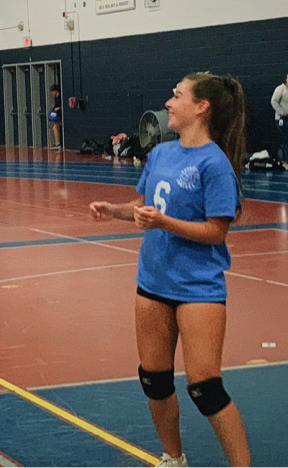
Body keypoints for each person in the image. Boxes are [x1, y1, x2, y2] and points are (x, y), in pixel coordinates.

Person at [89, 72, 251, 468]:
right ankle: (173, 458)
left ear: (201, 108)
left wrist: (164, 223)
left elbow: (216, 231)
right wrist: (118, 211)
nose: (168, 103)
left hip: (197, 288)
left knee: (205, 388)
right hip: (153, 282)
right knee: (155, 379)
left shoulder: (214, 164)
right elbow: (147, 208)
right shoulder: (161, 154)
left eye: (177, 96)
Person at [48, 84, 63, 149]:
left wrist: (58, 108)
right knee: (55, 127)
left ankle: (58, 143)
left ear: (55, 91)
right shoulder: (56, 97)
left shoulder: (60, 97)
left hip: (59, 114)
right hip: (57, 114)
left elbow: (62, 105)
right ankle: (57, 142)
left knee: (55, 128)